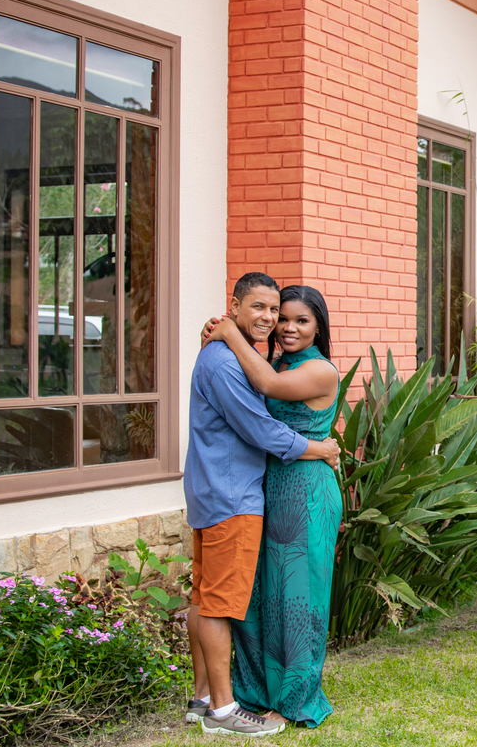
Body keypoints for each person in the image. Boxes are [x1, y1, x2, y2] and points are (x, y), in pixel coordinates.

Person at [183, 272, 340, 738]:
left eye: (297, 319)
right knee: (251, 601)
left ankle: (286, 699)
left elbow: (269, 391)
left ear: (318, 327)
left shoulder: (311, 368)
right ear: (235, 305)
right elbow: (262, 416)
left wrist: (232, 331)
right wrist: (319, 446)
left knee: (296, 601)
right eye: (271, 312)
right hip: (254, 491)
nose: (281, 324)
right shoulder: (242, 360)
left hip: (298, 493)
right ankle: (226, 700)